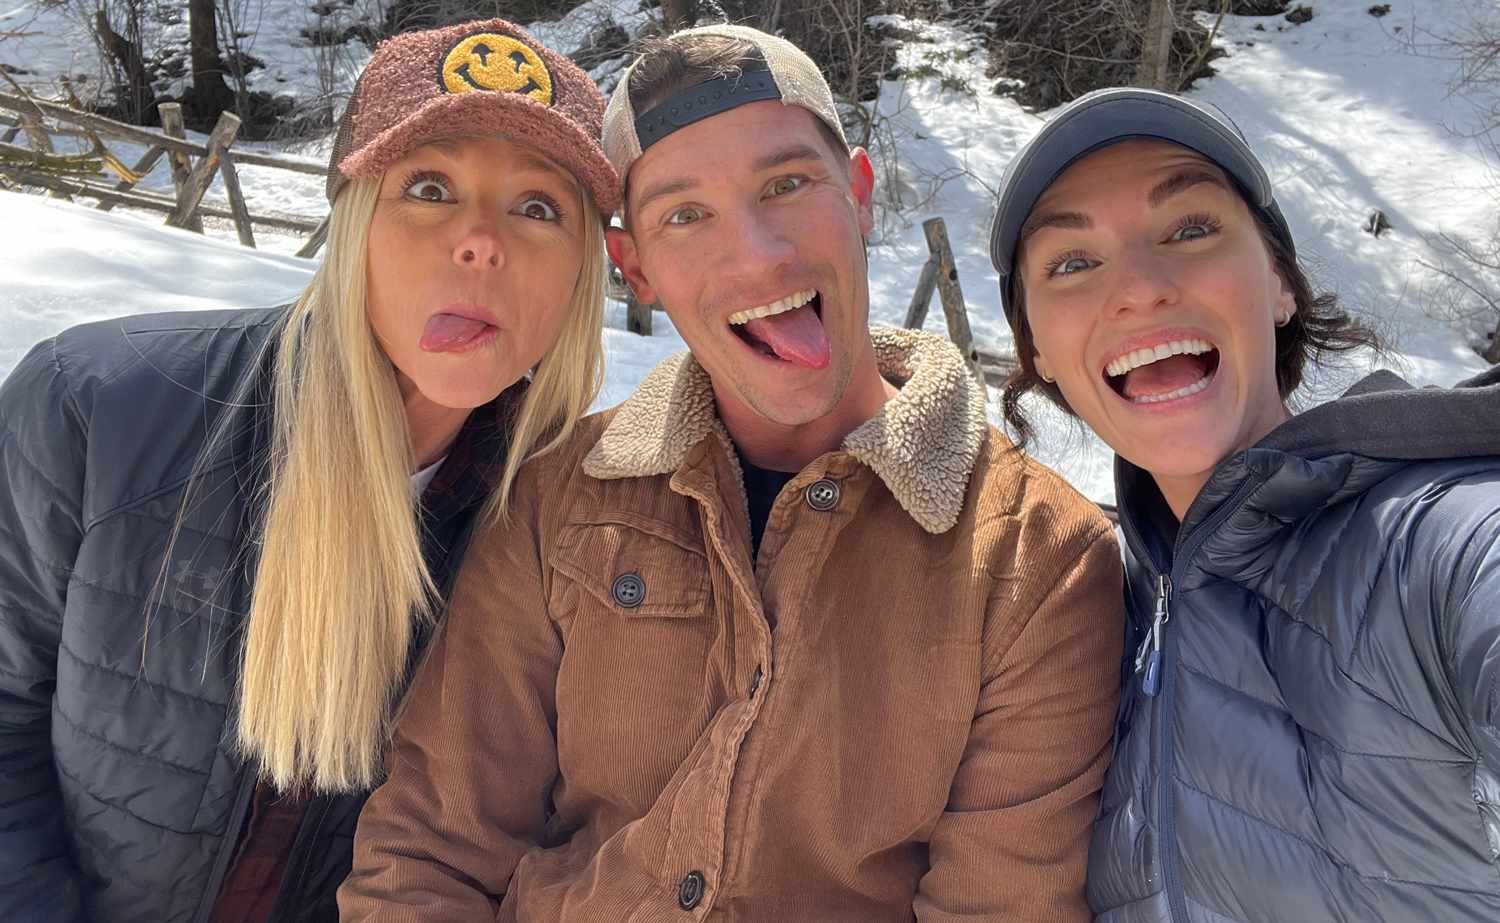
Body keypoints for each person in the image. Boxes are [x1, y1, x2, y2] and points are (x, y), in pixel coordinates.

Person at [340, 24, 1124, 922]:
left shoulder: (1039, 562)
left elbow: (1000, 905)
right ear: (635, 268)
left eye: (785, 185)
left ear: (859, 195)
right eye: (685, 214)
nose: (756, 254)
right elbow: (430, 852)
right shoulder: (558, 499)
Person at [0, 18, 618, 923]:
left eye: (538, 208)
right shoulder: (92, 411)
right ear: (354, 219)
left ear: (582, 273)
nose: (481, 241)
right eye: (429, 187)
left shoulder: (571, 528)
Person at [987, 86, 1500, 921]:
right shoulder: (1082, 613)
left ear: (1282, 284)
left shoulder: (1431, 545)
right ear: (1037, 349)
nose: (1140, 287)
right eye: (1072, 263)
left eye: (1190, 228)